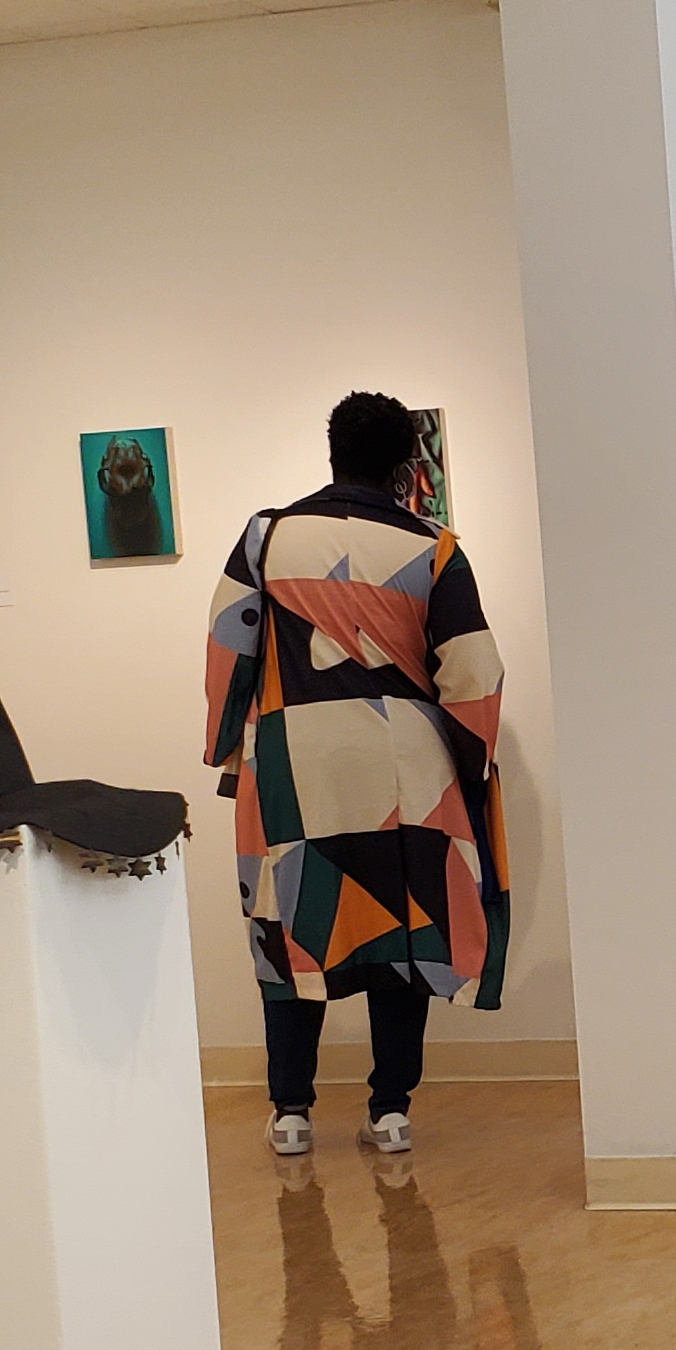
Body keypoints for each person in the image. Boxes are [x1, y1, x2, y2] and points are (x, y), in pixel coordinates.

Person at [207, 392, 512, 1159]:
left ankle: (291, 1112)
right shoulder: (435, 547)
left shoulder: (267, 536)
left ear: (332, 451)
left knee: (290, 925)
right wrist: (471, 764)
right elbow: (474, 670)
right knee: (400, 930)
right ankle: (390, 1110)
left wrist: (225, 748)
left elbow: (228, 648)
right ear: (406, 464)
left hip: (293, 759)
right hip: (405, 769)